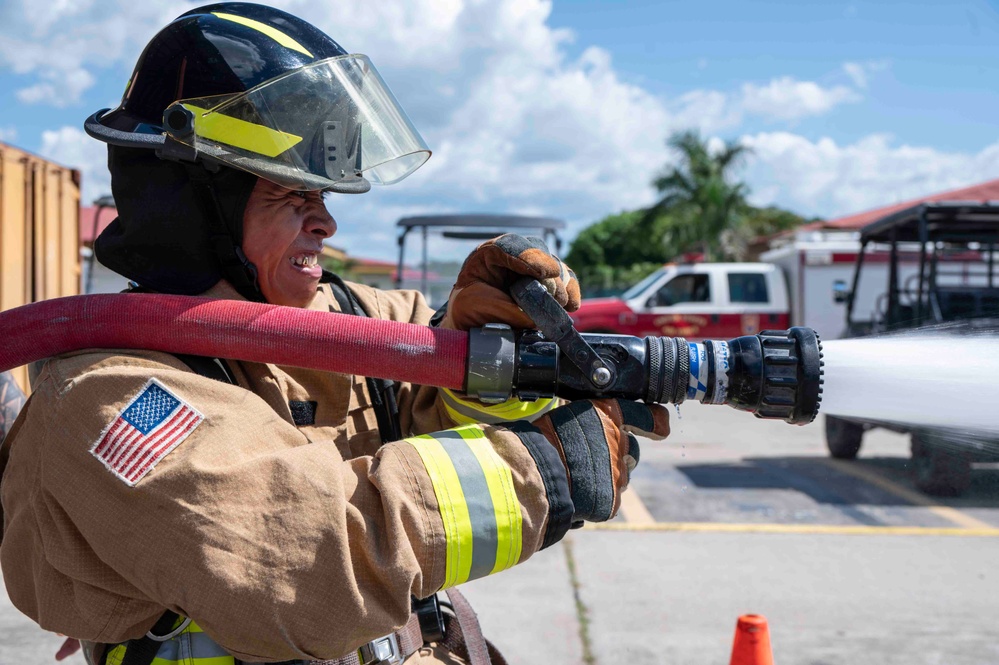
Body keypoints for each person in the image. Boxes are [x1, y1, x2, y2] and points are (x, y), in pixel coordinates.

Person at [0, 4, 670, 665]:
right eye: (292, 194)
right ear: (196, 206)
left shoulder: (347, 317)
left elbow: (434, 413)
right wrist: (544, 470)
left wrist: (481, 339)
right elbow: (302, 565)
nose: (326, 224)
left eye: (322, 196)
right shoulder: (107, 396)